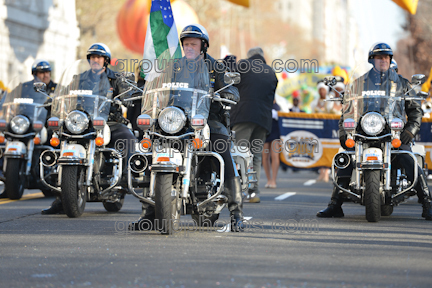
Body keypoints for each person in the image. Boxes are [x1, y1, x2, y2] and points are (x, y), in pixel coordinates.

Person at [130, 24, 244, 232]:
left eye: (194, 43)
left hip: (207, 119)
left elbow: (231, 88)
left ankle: (236, 213)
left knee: (223, 152)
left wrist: (230, 93)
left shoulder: (214, 67)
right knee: (151, 150)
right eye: (186, 44)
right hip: (175, 118)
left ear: (203, 46)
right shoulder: (174, 66)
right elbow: (159, 87)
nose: (189, 47)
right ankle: (149, 213)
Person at [316, 42, 432, 220]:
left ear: (390, 59)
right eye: (379, 57)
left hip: (394, 134)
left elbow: (415, 110)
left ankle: (427, 203)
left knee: (409, 159)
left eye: (386, 57)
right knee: (346, 159)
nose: (383, 60)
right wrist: (343, 132)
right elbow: (347, 110)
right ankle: (335, 205)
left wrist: (410, 130)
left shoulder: (401, 83)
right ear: (372, 60)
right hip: (364, 133)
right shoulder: (359, 83)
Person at [41, 43, 137, 214]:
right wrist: (54, 101)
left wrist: (126, 97)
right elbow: (65, 94)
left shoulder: (115, 79)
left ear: (105, 60)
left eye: (99, 57)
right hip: (81, 122)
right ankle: (61, 194)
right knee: (56, 136)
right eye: (92, 57)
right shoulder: (79, 78)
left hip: (108, 122)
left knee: (127, 136)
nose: (95, 60)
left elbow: (127, 95)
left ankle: (123, 178)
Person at [0, 60, 57, 199]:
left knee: (55, 139)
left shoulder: (56, 88)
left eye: (47, 72)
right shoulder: (24, 87)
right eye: (41, 72)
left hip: (46, 123)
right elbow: (9, 99)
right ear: (35, 74)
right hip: (25, 122)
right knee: (5, 140)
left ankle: (55, 174)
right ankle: (8, 180)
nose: (45, 75)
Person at [230, 47, 278, 203]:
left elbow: (229, 85)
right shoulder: (271, 72)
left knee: (239, 153)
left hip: (243, 116)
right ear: (262, 57)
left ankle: (237, 190)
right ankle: (253, 191)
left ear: (249, 56)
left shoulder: (243, 66)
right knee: (256, 156)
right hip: (263, 120)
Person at [262, 100, 281, 188]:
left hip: (275, 133)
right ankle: (268, 179)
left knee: (275, 155)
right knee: (265, 156)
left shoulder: (277, 106)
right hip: (265, 132)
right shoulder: (263, 103)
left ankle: (274, 179)